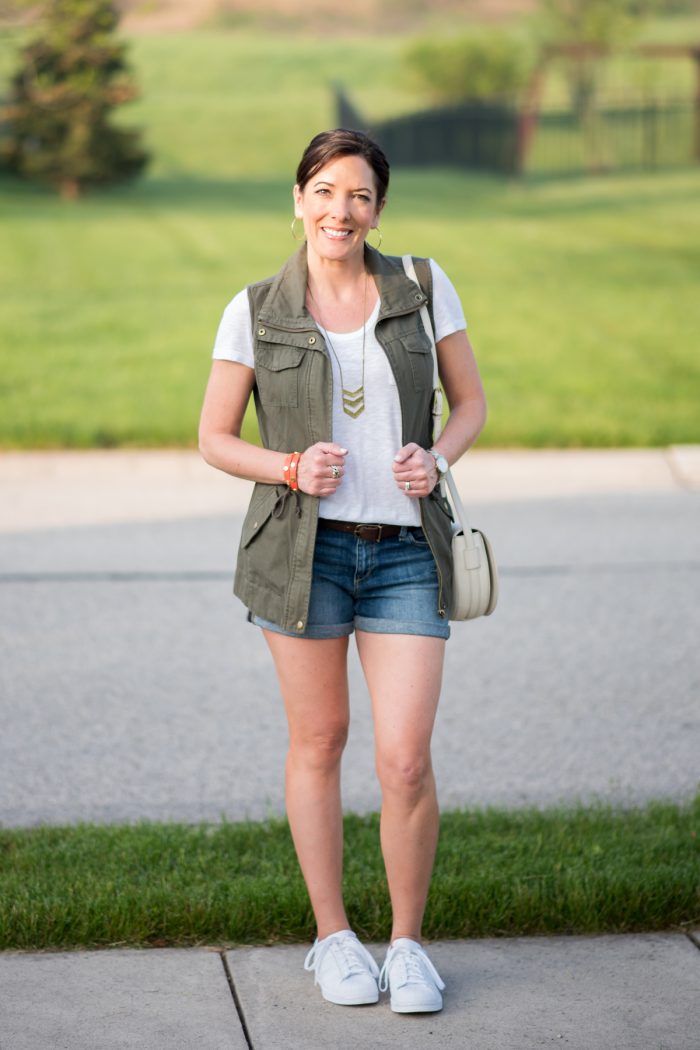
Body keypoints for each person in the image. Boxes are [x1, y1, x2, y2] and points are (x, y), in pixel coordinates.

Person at [199, 128, 487, 1013]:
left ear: (379, 209)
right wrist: (288, 467)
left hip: (404, 550)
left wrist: (435, 458)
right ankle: (332, 938)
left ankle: (407, 946)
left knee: (404, 761)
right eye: (324, 191)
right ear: (298, 199)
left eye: (358, 195)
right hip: (304, 553)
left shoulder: (424, 288)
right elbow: (213, 438)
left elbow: (471, 403)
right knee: (319, 743)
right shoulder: (254, 308)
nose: (340, 210)